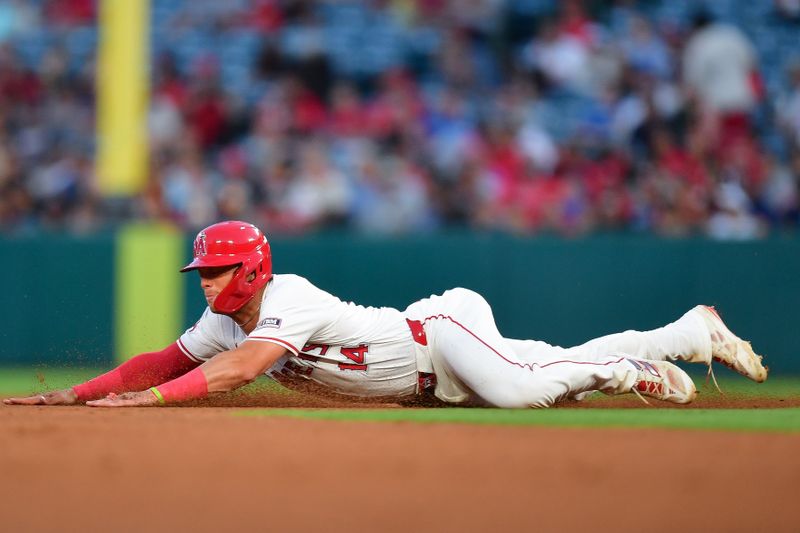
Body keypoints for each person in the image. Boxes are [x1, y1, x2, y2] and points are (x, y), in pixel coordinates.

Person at [4, 220, 767, 409]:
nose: (206, 283)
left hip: (436, 330)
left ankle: (624, 369)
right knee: (542, 362)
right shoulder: (225, 320)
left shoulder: (286, 297)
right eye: (201, 272)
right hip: (427, 381)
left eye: (217, 270)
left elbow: (239, 370)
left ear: (254, 267)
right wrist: (78, 394)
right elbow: (165, 361)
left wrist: (149, 404)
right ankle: (688, 332)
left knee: (522, 388)